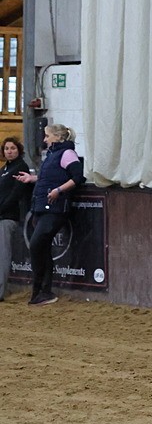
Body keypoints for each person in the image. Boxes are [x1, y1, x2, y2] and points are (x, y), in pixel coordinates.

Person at [14, 124, 85, 305]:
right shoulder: (53, 155)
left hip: (54, 209)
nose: (45, 139)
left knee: (37, 245)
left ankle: (42, 290)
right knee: (41, 248)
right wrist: (32, 178)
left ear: (57, 137)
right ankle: (42, 291)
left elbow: (77, 177)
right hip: (43, 207)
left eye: (47, 136)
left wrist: (59, 190)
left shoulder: (67, 154)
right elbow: (51, 177)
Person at [0, 137, 32, 301]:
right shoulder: (3, 169)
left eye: (12, 148)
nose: (9, 151)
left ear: (18, 150)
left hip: (8, 217)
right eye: (6, 149)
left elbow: (15, 195)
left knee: (3, 255)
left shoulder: (21, 167)